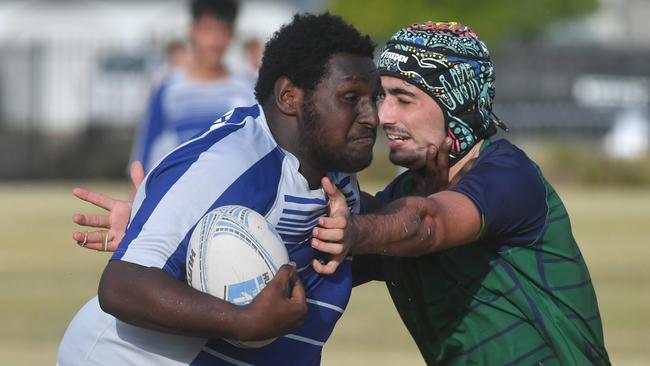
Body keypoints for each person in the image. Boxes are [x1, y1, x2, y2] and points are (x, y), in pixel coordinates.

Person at [59, 12, 380, 366]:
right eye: (351, 97)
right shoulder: (232, 161)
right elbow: (121, 285)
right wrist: (242, 321)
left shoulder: (334, 175)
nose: (371, 117)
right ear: (289, 97)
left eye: (373, 98)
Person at [312, 22, 611, 365]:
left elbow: (428, 222)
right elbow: (330, 262)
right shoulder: (405, 193)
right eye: (381, 96)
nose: (383, 116)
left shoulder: (508, 175)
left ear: (458, 107)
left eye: (404, 99)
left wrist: (355, 231)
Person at [132, 0, 256, 173]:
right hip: (176, 195)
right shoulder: (169, 89)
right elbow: (145, 155)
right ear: (192, 30)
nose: (215, 40)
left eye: (224, 30)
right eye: (208, 29)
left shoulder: (249, 88)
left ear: (232, 34)